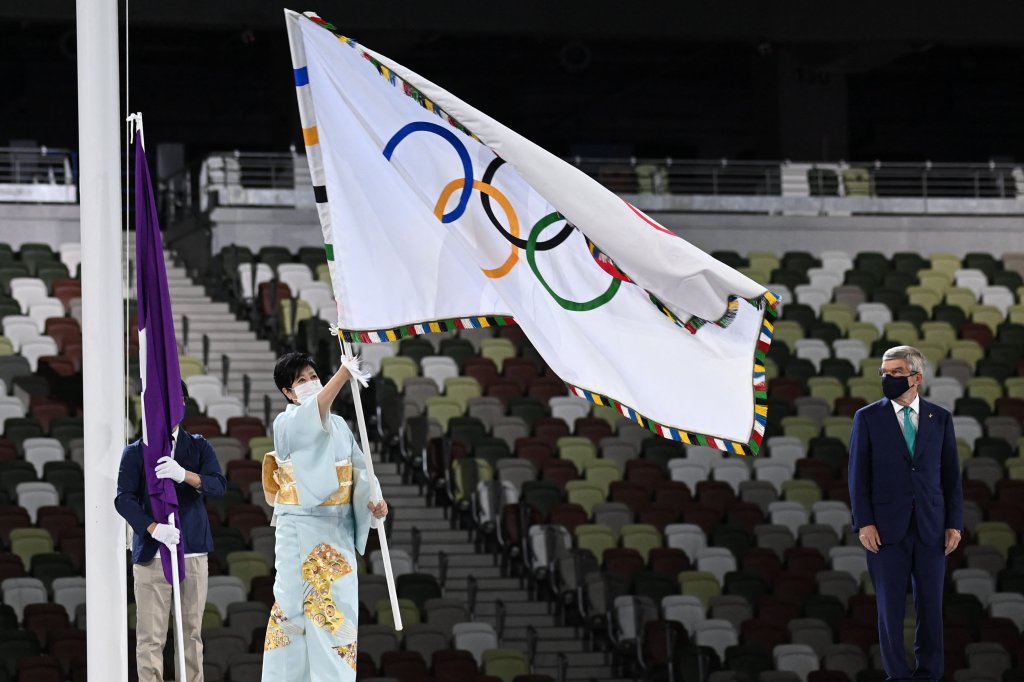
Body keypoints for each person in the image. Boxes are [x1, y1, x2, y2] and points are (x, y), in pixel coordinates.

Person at [261, 352, 387, 681]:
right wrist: (343, 375)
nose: (310, 383)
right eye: (301, 380)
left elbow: (361, 471)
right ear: (288, 392)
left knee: (336, 613)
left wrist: (375, 502)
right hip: (299, 528)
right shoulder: (286, 423)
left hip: (338, 530)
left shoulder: (342, 426)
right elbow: (310, 419)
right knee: (292, 612)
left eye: (313, 376)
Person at [848, 345, 963, 682]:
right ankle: (898, 676)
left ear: (917, 377)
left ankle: (929, 674)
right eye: (885, 373)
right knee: (890, 609)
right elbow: (858, 476)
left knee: (931, 608)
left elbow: (951, 476)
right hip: (884, 530)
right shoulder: (867, 417)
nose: (888, 378)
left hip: (932, 527)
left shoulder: (939, 418)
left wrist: (954, 523)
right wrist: (864, 521)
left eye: (896, 372)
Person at [115, 380, 227, 682]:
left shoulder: (199, 445)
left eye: (176, 399)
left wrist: (183, 475)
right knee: (151, 637)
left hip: (192, 550)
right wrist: (153, 529)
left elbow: (218, 485)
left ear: (184, 403)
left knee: (191, 633)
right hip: (153, 552)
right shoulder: (136, 452)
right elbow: (123, 499)